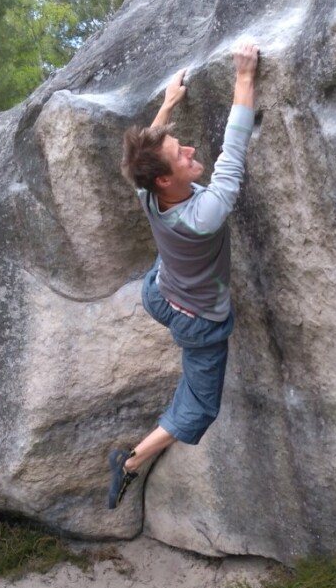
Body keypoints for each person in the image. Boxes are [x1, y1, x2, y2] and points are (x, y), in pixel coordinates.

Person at [108, 41, 260, 508]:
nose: (192, 151)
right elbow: (233, 156)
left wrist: (169, 105)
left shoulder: (148, 192)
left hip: (159, 293)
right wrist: (244, 78)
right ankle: (129, 462)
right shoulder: (205, 213)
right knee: (198, 407)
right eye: (182, 154)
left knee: (169, 261)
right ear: (165, 180)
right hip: (198, 317)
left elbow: (139, 162)